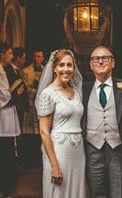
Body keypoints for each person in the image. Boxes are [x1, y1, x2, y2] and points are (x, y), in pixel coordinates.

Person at [82, 46, 122, 198]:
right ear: (91, 65)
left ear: (113, 63)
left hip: (117, 150)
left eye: (105, 58)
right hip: (92, 149)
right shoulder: (83, 88)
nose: (101, 61)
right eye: (96, 59)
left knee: (119, 192)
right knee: (96, 192)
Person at [35, 49, 87, 197]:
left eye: (69, 65)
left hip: (78, 151)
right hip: (59, 151)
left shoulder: (76, 92)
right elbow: (44, 131)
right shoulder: (48, 94)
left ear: (74, 68)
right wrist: (54, 165)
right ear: (54, 68)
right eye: (62, 65)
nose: (66, 69)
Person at [0, 43, 23, 197]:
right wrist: (17, 93)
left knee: (9, 153)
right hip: (2, 120)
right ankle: (3, 189)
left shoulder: (4, 69)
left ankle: (7, 187)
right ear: (2, 53)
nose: (12, 56)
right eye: (10, 53)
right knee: (4, 155)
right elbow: (4, 97)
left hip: (8, 117)